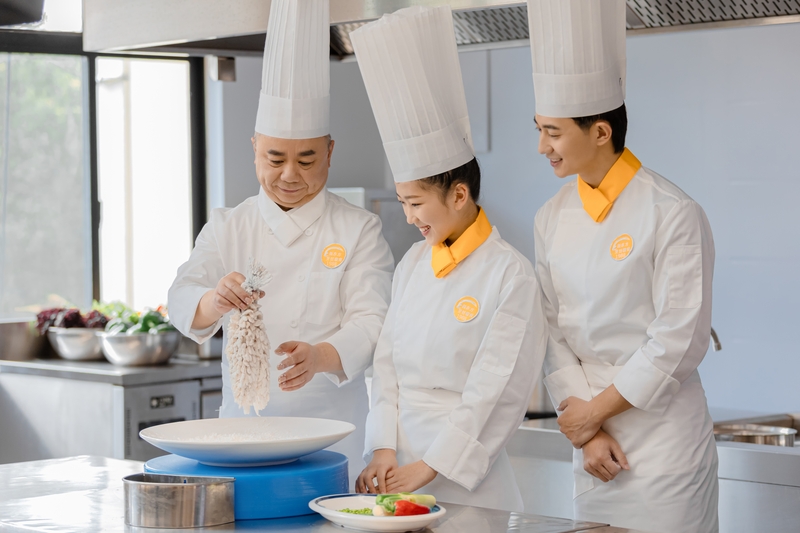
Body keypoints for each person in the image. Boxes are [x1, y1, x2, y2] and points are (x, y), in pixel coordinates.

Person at [167, 0, 393, 485]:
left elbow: (373, 323)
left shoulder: (358, 229)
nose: (290, 175)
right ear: (254, 149)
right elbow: (181, 299)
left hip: (332, 437)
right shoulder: (229, 226)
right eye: (275, 158)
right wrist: (213, 301)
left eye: (307, 160)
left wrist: (321, 356)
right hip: (242, 437)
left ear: (329, 152)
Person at [527, 1, 719, 531]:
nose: (541, 146)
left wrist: (595, 413)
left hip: (663, 444)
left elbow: (679, 338)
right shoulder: (550, 217)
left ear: (600, 132)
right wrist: (587, 430)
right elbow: (549, 329)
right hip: (593, 445)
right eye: (539, 130)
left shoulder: (672, 211)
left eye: (553, 132)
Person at [349, 6, 547, 512]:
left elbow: (496, 390)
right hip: (396, 467)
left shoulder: (510, 274)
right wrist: (383, 449)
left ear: (459, 195)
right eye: (403, 203)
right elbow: (386, 365)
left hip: (464, 476)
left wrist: (430, 466)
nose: (409, 217)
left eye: (416, 203)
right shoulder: (413, 263)